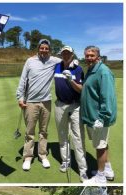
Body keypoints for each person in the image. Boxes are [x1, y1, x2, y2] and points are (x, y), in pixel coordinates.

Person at [16, 39, 60, 171]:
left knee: (43, 131)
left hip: (46, 101)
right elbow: (23, 80)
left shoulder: (54, 61)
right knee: (30, 132)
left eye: (47, 48)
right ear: (38, 48)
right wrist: (20, 97)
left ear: (49, 50)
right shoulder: (30, 61)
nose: (44, 50)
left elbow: (66, 60)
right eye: (42, 48)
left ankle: (42, 155)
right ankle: (28, 157)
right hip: (31, 102)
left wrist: (75, 61)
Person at [80, 46, 117, 184]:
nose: (89, 58)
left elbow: (107, 97)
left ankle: (100, 177)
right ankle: (107, 170)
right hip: (92, 117)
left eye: (92, 55)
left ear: (98, 57)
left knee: (100, 147)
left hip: (99, 118)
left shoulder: (103, 72)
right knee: (103, 144)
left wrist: (102, 117)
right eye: (87, 55)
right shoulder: (90, 70)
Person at [54, 45, 88, 182]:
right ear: (61, 54)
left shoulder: (78, 69)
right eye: (64, 53)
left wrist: (71, 80)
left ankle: (83, 170)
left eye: (68, 53)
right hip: (60, 105)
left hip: (75, 105)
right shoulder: (56, 66)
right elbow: (44, 58)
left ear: (72, 55)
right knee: (62, 136)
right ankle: (65, 161)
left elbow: (81, 90)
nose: (66, 55)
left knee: (78, 138)